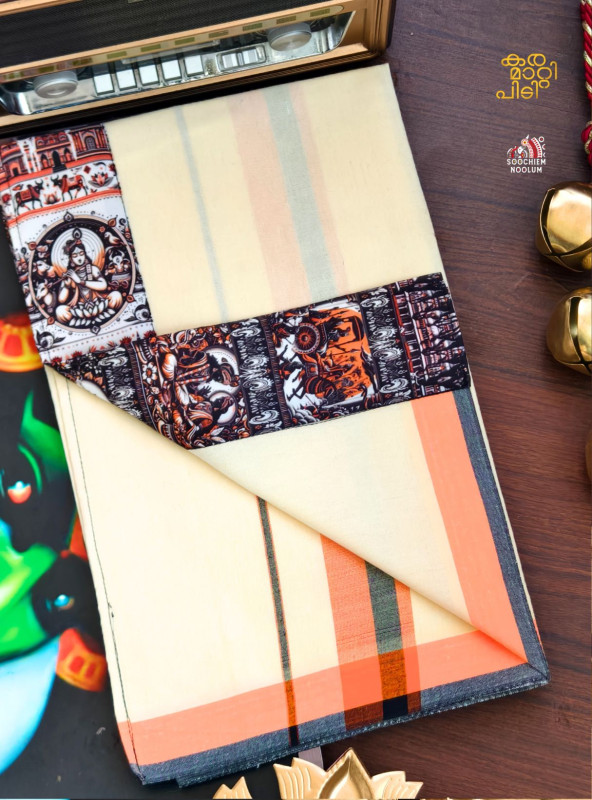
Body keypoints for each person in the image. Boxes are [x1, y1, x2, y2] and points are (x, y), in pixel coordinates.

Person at [55, 236, 123, 324]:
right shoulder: (70, 274)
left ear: (85, 254)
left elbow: (104, 285)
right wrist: (67, 286)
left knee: (116, 296)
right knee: (60, 311)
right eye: (75, 256)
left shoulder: (93, 269)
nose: (79, 258)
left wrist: (80, 282)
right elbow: (61, 300)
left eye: (81, 254)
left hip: (99, 302)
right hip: (79, 308)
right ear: (71, 259)